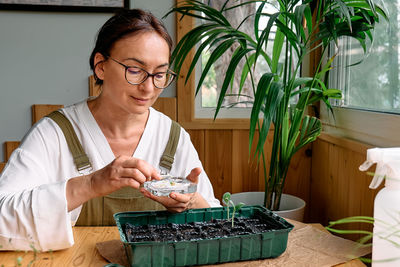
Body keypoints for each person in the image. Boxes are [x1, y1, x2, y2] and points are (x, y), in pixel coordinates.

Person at [0, 9, 220, 252]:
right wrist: (91, 184)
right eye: (135, 70)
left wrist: (188, 203)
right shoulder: (55, 133)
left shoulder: (172, 137)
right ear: (101, 66)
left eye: (159, 74)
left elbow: (218, 223)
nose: (149, 88)